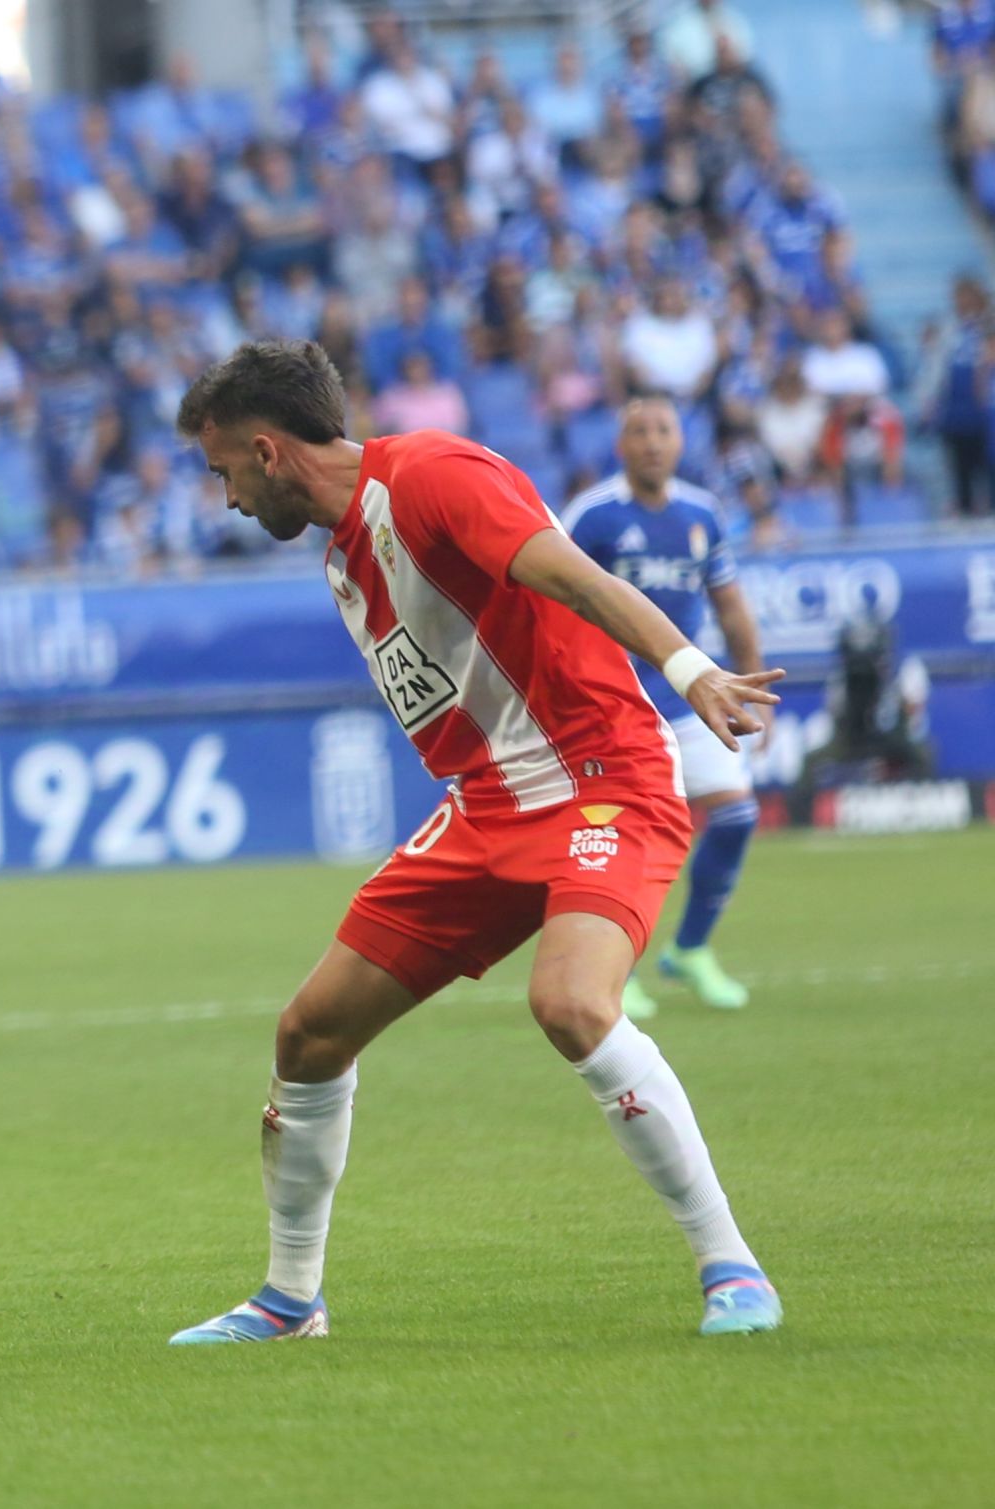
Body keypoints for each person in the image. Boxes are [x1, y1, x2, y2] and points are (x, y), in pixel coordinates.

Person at [168, 341, 784, 1346]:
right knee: (309, 1035)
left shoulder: (431, 477)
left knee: (571, 1003)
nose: (226, 496)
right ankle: (289, 1303)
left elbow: (575, 577)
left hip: (603, 778)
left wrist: (689, 668)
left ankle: (733, 1269)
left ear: (269, 451)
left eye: (222, 468)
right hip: (489, 806)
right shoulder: (344, 552)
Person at [562, 398, 768, 1018]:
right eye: (639, 432)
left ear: (681, 443)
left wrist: (748, 684)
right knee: (624, 837)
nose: (652, 442)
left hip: (686, 695)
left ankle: (691, 950)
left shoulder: (702, 513)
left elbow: (729, 605)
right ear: (620, 446)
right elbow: (552, 599)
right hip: (612, 702)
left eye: (663, 431)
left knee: (735, 815)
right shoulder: (593, 516)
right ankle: (613, 970)